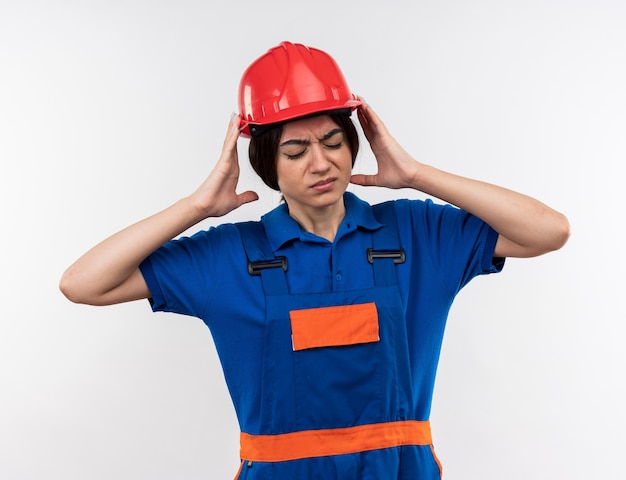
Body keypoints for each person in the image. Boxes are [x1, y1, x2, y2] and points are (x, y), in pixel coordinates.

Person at [60, 41, 570, 479]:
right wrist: (196, 207)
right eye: (296, 150)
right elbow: (83, 284)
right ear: (267, 165)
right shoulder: (229, 256)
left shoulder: (416, 233)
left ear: (354, 145)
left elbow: (548, 231)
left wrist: (416, 173)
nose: (321, 163)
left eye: (332, 142)